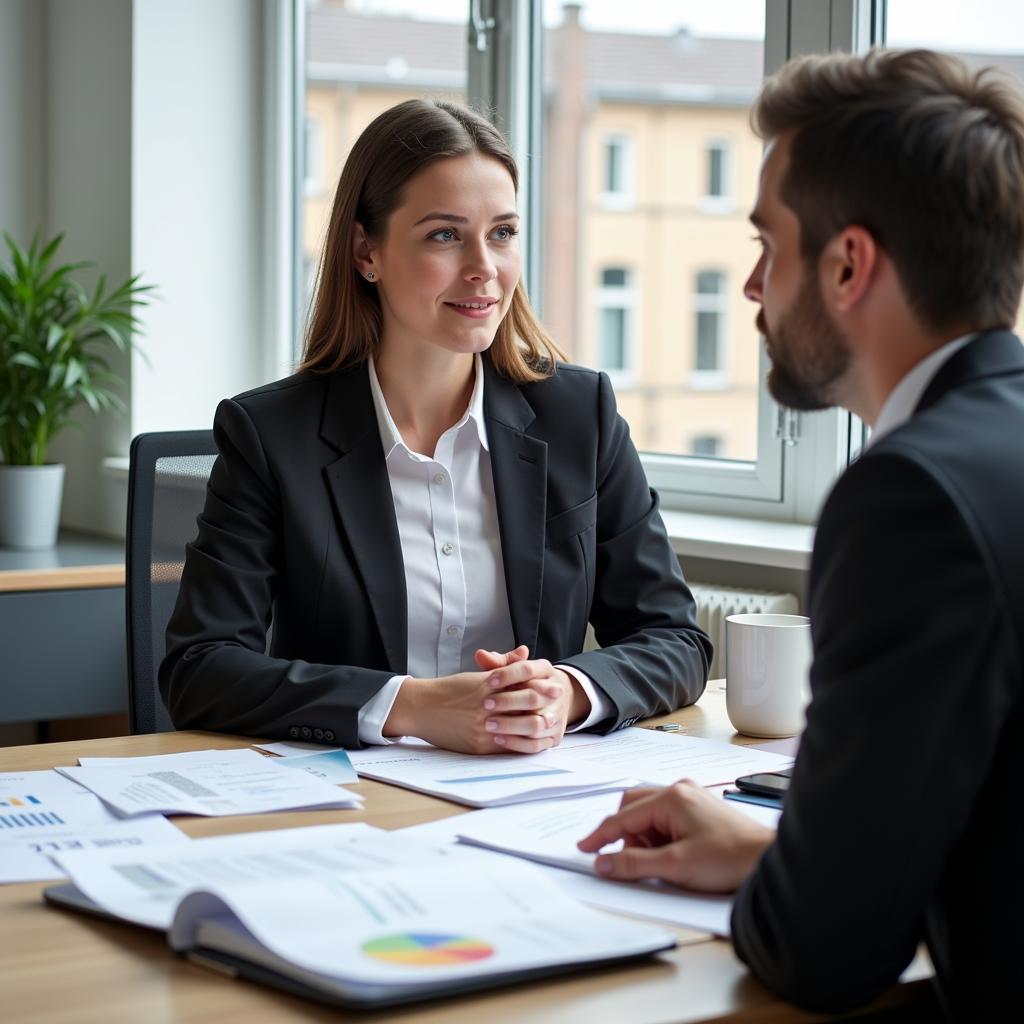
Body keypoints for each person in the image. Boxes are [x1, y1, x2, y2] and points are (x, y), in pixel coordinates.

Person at [578, 48, 1024, 1020]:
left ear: (848, 264)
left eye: (766, 245)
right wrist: (777, 857)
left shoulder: (910, 497)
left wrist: (790, 895)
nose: (750, 287)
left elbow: (823, 952)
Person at [160, 99, 712, 755]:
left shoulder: (578, 415)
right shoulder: (270, 435)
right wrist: (409, 706)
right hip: (354, 804)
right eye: (445, 235)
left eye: (502, 232)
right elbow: (200, 670)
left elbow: (675, 639)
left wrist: (567, 692)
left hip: (534, 797)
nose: (484, 267)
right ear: (367, 251)